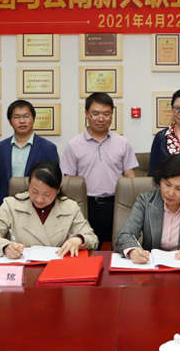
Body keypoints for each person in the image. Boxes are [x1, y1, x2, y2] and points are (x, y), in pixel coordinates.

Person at [61, 93, 138, 247]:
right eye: (95, 114)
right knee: (86, 246)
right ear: (86, 114)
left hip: (117, 204)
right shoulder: (73, 145)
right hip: (85, 205)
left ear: (112, 115)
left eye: (106, 114)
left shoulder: (123, 143)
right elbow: (69, 182)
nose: (101, 118)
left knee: (118, 247)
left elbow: (130, 178)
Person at [0, 161, 98, 257]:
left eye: (47, 194)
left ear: (58, 190)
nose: (39, 199)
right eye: (34, 191)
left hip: (57, 269)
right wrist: (5, 246)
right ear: (29, 185)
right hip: (22, 269)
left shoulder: (70, 207)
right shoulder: (11, 205)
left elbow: (92, 239)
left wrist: (78, 240)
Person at [0, 100, 59, 218]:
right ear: (10, 121)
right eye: (16, 117)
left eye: (26, 116)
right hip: (5, 209)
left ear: (33, 119)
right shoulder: (0, 148)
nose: (22, 121)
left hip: (36, 208)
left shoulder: (48, 148)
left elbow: (53, 184)